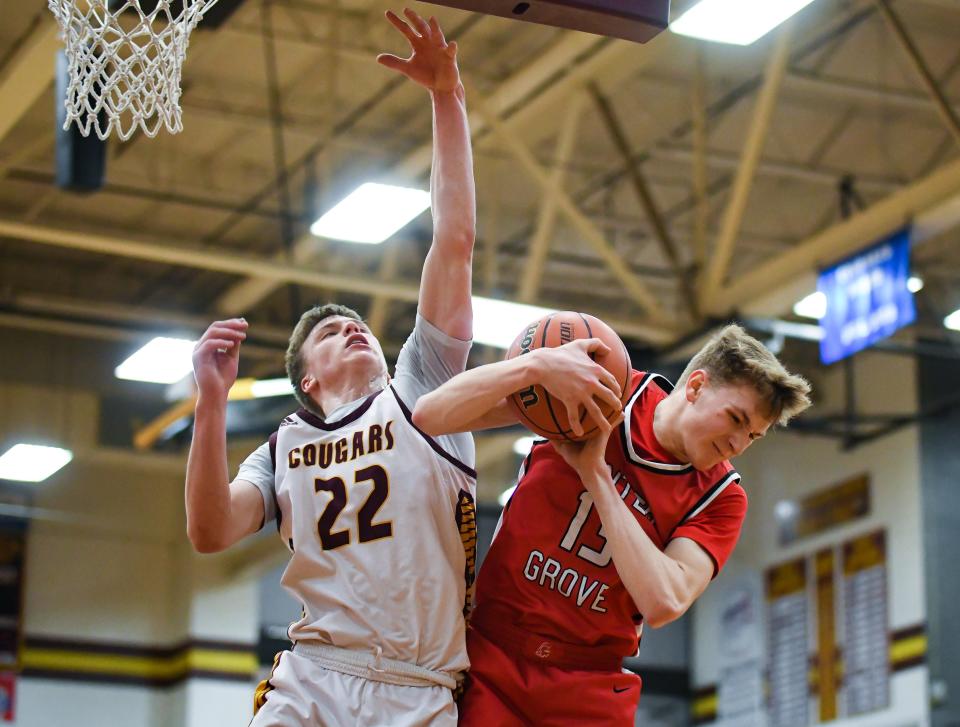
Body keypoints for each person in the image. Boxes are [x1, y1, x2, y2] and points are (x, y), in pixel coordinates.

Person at [186, 9, 480, 725]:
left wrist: (448, 98)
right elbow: (212, 530)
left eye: (357, 324)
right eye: (326, 330)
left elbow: (456, 239)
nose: (349, 325)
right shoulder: (284, 443)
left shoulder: (423, 382)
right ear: (306, 380)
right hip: (317, 674)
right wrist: (211, 403)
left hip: (420, 685)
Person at [412, 324, 812, 726]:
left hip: (589, 683)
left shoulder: (721, 497)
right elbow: (430, 415)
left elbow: (665, 601)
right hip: (491, 654)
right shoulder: (603, 390)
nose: (738, 444)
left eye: (754, 436)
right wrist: (536, 366)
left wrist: (597, 477)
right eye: (736, 419)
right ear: (695, 387)